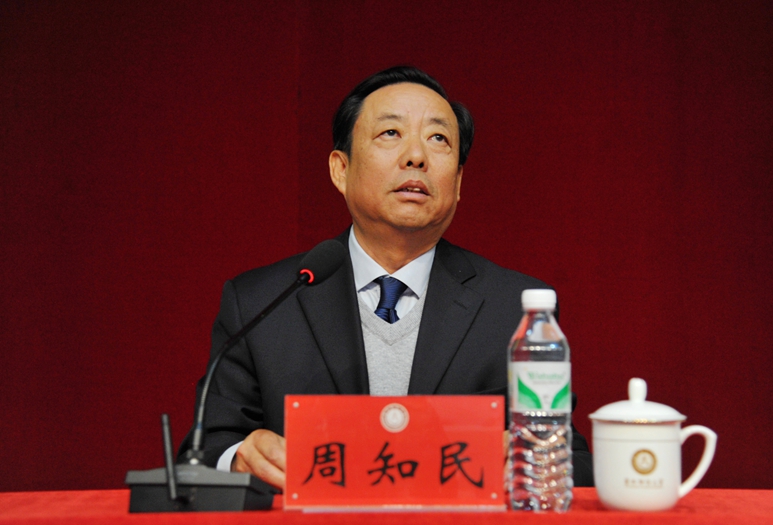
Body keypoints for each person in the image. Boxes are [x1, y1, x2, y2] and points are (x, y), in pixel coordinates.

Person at [179, 66, 593, 488]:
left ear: (458, 182)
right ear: (341, 169)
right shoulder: (261, 303)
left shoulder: (513, 308)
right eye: (390, 133)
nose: (416, 156)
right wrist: (238, 460)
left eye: (438, 139)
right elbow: (203, 455)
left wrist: (530, 461)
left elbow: (574, 462)